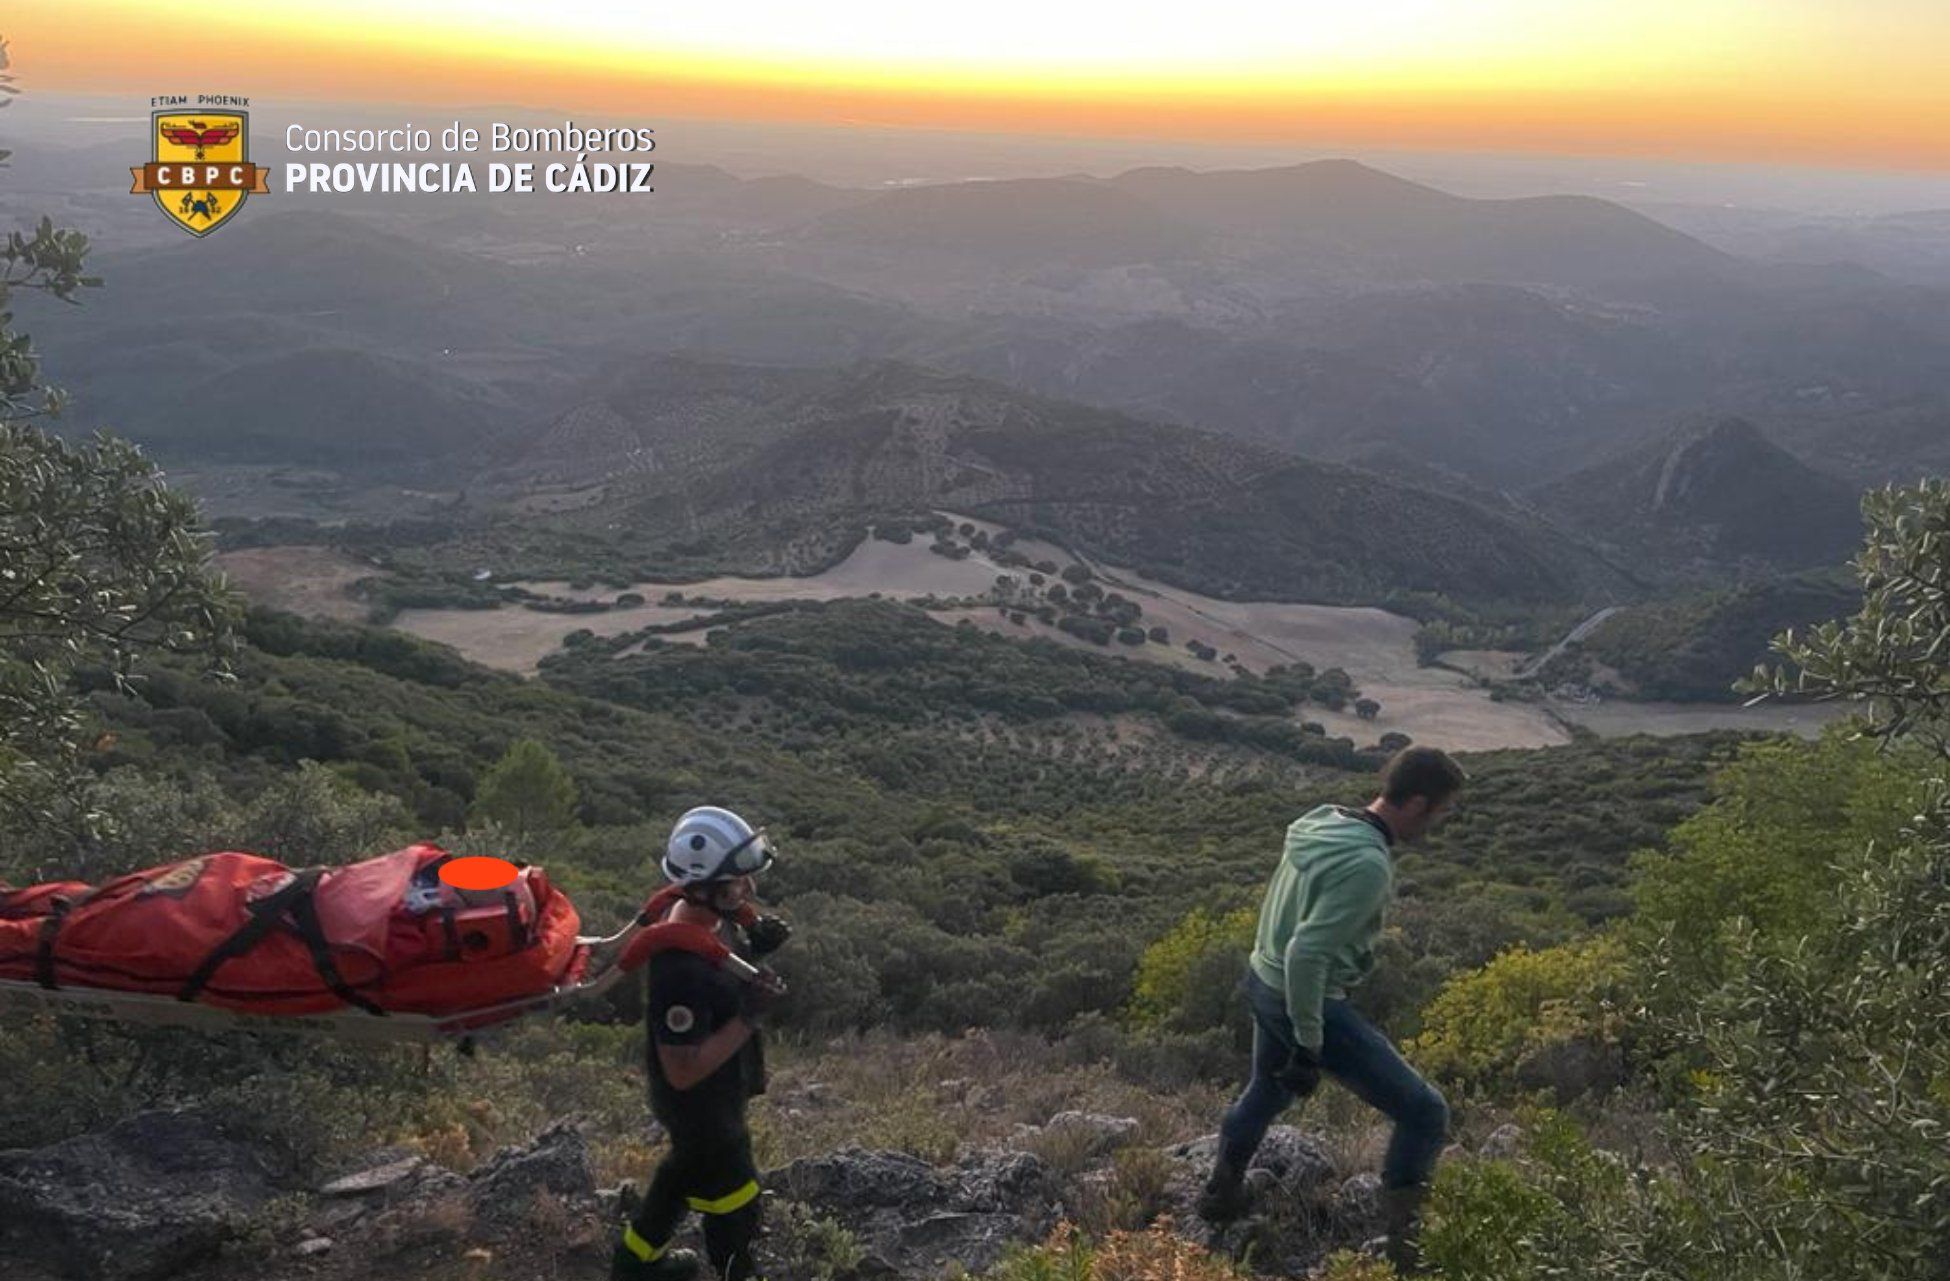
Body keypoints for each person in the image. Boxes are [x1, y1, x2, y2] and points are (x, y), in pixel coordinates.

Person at [1198, 746, 1465, 1273]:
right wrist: (1309, 1040)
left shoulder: (1321, 821)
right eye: (1441, 810)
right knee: (1425, 1113)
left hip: (1262, 977)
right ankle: (1404, 1252)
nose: (1441, 821)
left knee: (1267, 1090)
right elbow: (1308, 952)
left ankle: (1220, 1194)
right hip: (1302, 997)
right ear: (1416, 803)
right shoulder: (1368, 864)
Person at [612, 806, 793, 1281]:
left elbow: (725, 976)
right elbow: (683, 1069)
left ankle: (633, 1267)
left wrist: (757, 948)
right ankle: (738, 1270)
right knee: (735, 1205)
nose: (748, 891)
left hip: (713, 1101)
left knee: (680, 1175)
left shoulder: (712, 924)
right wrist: (750, 1017)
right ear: (705, 888)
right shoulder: (679, 969)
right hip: (702, 1105)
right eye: (738, 883)